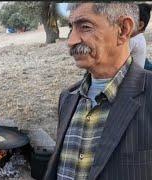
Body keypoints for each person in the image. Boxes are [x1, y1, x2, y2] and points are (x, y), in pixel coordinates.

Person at [44, 3, 152, 180]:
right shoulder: (67, 98)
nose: (71, 41)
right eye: (71, 27)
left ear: (123, 30)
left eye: (85, 27)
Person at [129, 3, 151, 68]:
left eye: (129, 21)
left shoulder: (132, 40)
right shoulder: (139, 36)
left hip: (134, 75)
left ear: (140, 25)